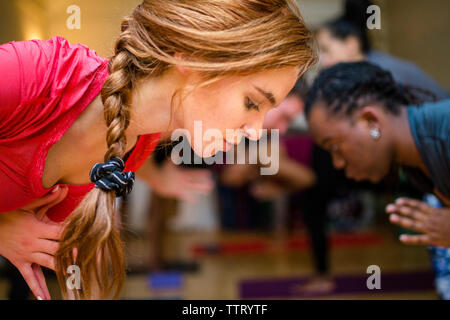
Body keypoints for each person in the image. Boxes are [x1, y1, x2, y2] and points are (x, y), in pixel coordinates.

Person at [0, 0, 317, 299]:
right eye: (252, 102)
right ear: (193, 56)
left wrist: (159, 180)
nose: (256, 130)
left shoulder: (138, 144)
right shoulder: (33, 75)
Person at [304, 61, 450, 250]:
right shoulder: (416, 157)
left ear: (371, 122)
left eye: (334, 147)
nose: (337, 163)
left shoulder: (444, 133)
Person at [316, 0, 449, 100]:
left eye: (326, 49)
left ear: (351, 44)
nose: (322, 60)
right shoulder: (362, 72)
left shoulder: (383, 72)